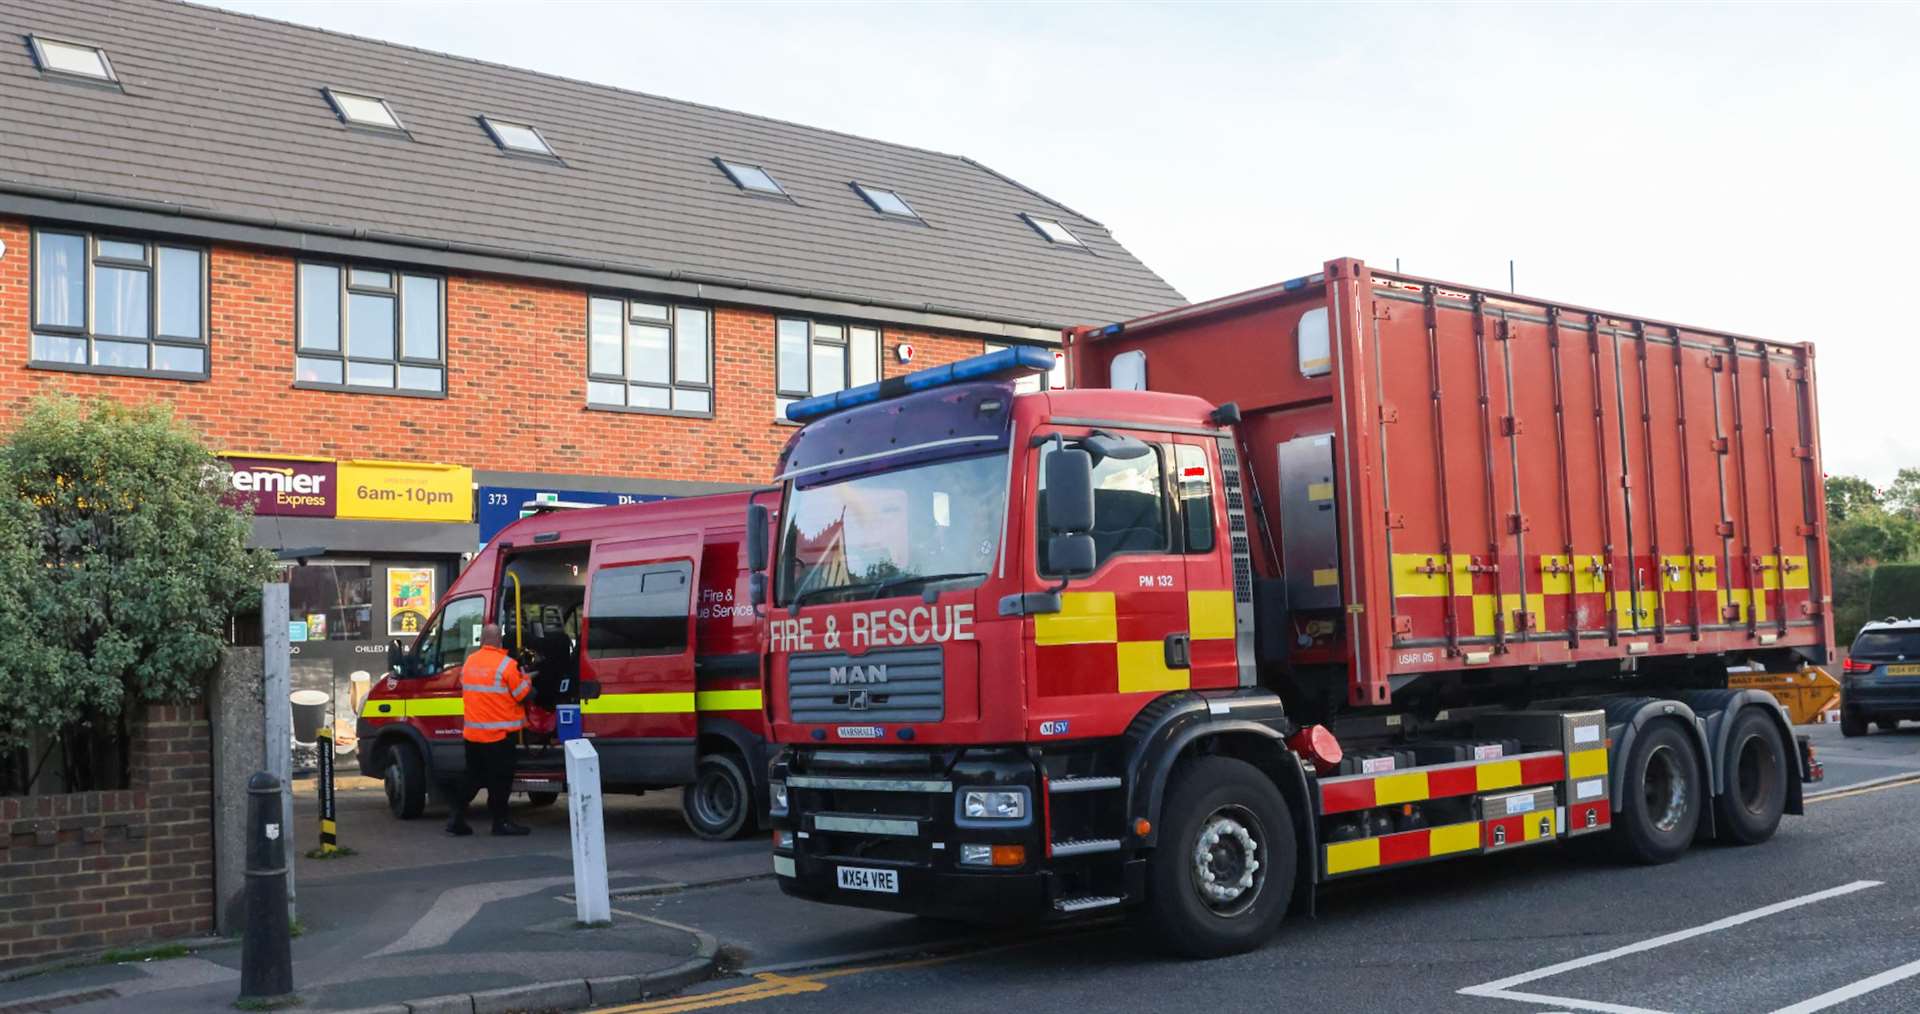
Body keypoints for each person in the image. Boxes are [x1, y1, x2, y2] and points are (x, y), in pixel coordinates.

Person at [447, 623, 532, 837]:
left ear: (482, 640)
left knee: (472, 778)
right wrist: (528, 678)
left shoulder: (469, 663)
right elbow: (522, 694)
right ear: (499, 641)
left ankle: (456, 817)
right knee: (500, 781)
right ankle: (500, 822)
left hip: (474, 734)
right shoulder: (507, 665)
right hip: (499, 735)